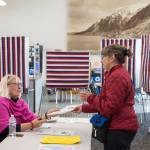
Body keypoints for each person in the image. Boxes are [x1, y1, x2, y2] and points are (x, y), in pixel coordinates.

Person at [73, 45, 139, 150]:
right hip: (119, 124)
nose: (101, 61)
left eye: (103, 57)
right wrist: (83, 108)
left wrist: (91, 98)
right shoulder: (115, 73)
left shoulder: (117, 76)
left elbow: (109, 107)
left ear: (112, 57)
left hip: (120, 127)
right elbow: (106, 103)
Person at [0, 75, 58, 142]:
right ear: (6, 86)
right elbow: (6, 129)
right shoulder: (2, 103)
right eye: (15, 84)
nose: (19, 87)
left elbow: (33, 119)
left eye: (20, 84)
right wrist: (31, 125)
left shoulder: (21, 102)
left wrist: (46, 115)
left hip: (17, 139)